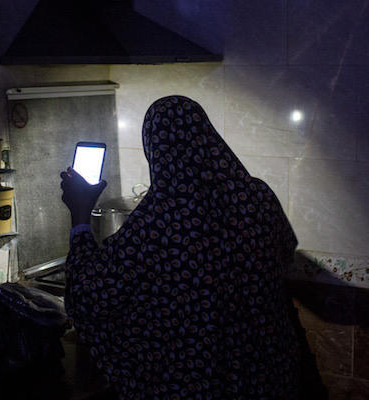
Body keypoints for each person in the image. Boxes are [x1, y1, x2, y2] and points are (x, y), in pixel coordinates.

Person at [59, 95, 301, 399]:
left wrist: (80, 215)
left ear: (154, 150)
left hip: (196, 384)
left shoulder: (157, 219)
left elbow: (89, 298)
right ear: (207, 137)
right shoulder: (257, 196)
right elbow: (285, 252)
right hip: (271, 376)